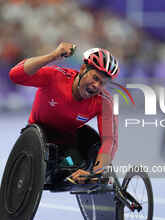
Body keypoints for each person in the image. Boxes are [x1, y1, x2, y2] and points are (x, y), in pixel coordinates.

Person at [9, 42, 119, 183]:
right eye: (95, 78)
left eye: (102, 83)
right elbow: (15, 75)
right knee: (61, 162)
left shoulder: (104, 101)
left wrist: (96, 173)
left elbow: (110, 140)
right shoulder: (55, 77)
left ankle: (83, 175)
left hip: (65, 148)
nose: (96, 85)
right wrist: (53, 55)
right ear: (83, 68)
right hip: (37, 138)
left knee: (77, 163)